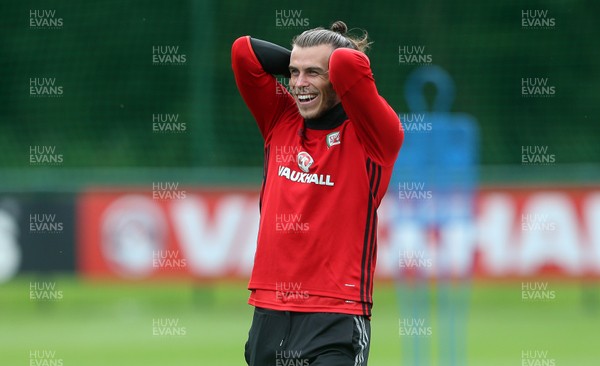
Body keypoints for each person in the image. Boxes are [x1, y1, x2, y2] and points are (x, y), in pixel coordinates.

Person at [231, 20, 403, 366]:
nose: (298, 84)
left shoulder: (374, 135)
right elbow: (243, 52)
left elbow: (348, 64)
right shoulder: (280, 118)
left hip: (334, 317)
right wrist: (306, 66)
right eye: (293, 72)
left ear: (338, 79)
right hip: (270, 312)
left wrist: (330, 64)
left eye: (313, 73)